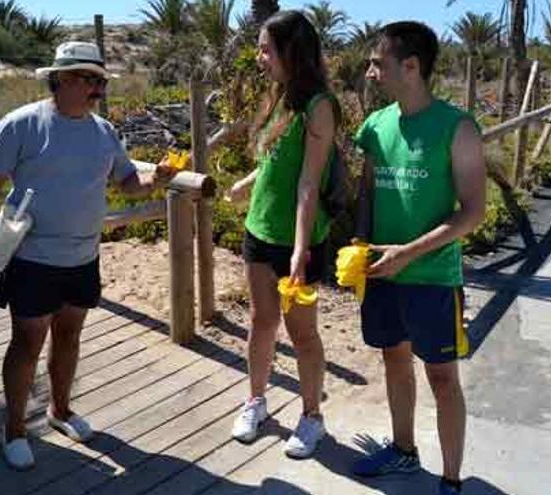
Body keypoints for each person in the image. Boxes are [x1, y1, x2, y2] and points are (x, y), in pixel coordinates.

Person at [0, 41, 175, 470]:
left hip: (84, 258)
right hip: (31, 259)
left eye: (99, 80)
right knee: (27, 342)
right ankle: (15, 430)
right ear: (59, 80)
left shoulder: (104, 132)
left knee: (70, 336)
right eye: (87, 78)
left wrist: (158, 179)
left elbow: (127, 182)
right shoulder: (20, 125)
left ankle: (60, 410)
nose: (96, 87)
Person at [350, 22, 486, 495]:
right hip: (383, 272)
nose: (369, 72)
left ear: (411, 67)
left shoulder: (458, 127)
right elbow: (367, 191)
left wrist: (408, 254)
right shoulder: (376, 126)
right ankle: (405, 453)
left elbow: (473, 213)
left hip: (431, 275)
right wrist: (358, 243)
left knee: (443, 378)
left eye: (377, 63)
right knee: (393, 360)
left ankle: (451, 481)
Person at [225, 10, 340, 459]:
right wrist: (248, 183)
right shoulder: (280, 96)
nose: (259, 58)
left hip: (299, 240)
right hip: (260, 229)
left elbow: (309, 183)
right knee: (261, 322)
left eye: (266, 49)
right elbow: (278, 161)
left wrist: (298, 250)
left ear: (292, 51)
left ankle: (312, 416)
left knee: (303, 334)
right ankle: (255, 401)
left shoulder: (319, 106)